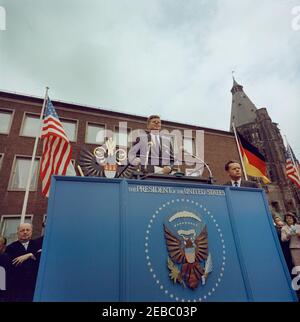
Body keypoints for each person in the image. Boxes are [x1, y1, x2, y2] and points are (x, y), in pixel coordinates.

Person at [5, 223, 40, 301]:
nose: (25, 232)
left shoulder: (37, 244)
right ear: (17, 233)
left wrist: (29, 255)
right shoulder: (10, 248)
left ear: (31, 232)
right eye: (22, 230)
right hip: (17, 287)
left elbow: (41, 259)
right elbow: (11, 265)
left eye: (27, 230)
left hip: (34, 285)